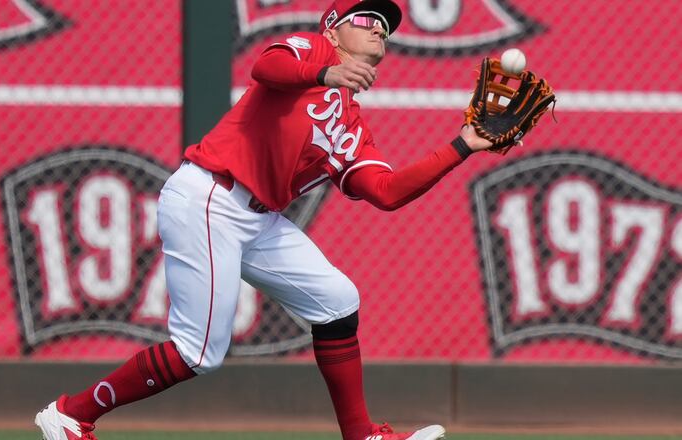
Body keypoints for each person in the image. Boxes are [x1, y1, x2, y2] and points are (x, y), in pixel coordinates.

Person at [35, 0, 496, 439]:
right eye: (366, 18)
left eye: (385, 25)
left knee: (337, 300)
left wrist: (462, 146)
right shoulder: (313, 50)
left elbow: (387, 192)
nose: (379, 27)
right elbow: (265, 67)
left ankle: (361, 435)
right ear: (333, 29)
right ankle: (72, 415)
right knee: (198, 353)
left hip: (257, 219)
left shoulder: (352, 128)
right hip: (210, 195)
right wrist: (326, 71)